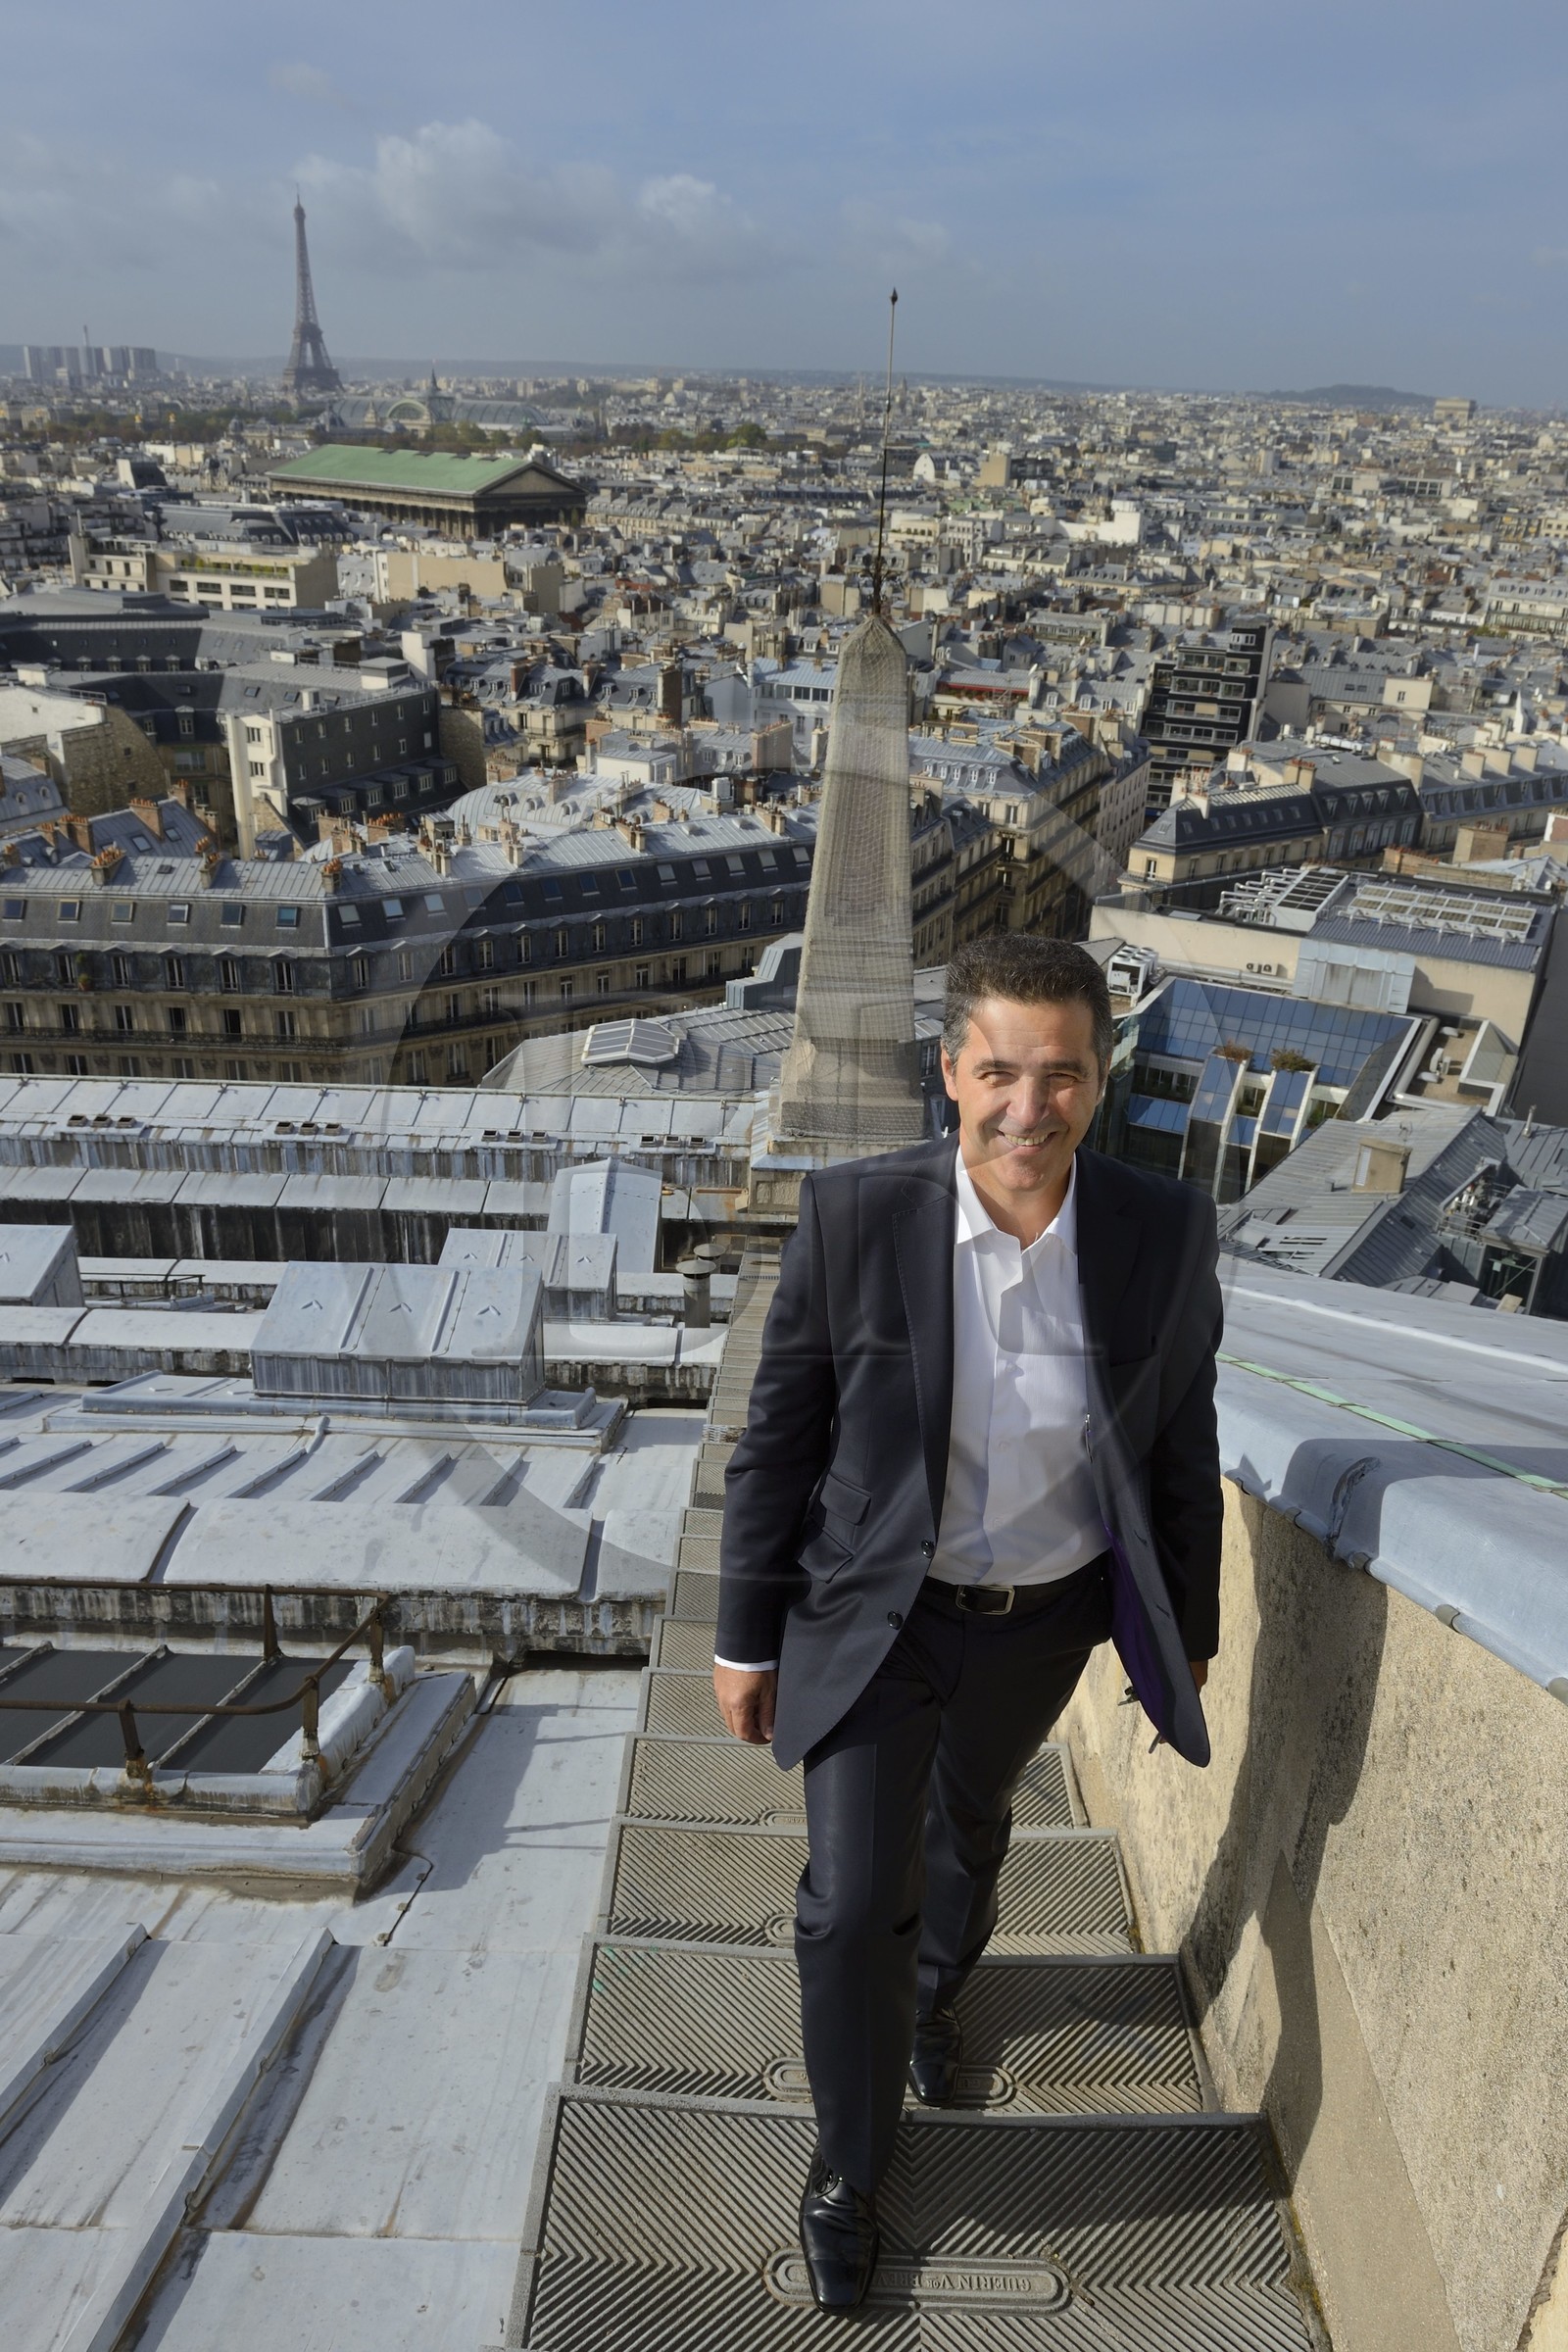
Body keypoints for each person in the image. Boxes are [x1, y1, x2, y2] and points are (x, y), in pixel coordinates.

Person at [713, 933, 1224, 2314]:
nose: (1026, 1105)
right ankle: (850, 2169)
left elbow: (1182, 1441)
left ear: (1100, 1083)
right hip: (876, 1618)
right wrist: (743, 1640)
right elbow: (778, 1443)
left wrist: (1188, 1634)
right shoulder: (854, 1216)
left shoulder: (1162, 1234)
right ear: (950, 1074)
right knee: (843, 1907)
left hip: (1043, 1619)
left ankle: (938, 1996)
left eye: (1060, 1075)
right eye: (998, 1070)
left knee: (974, 1825)